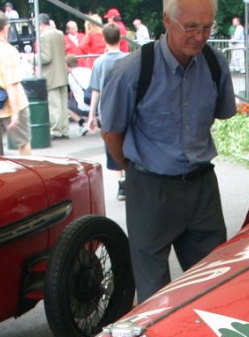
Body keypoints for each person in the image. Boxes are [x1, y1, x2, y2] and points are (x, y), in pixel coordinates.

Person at [99, 0, 236, 302]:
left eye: (206, 28)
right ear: (166, 21)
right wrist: (134, 168)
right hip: (150, 189)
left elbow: (215, 114)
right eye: (190, 27)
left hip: (202, 189)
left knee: (215, 286)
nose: (199, 37)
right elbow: (111, 132)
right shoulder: (132, 71)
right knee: (154, 296)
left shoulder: (215, 64)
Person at [87, 23, 127, 197]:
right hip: (127, 109)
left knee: (113, 147)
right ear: (120, 38)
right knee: (128, 144)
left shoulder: (99, 63)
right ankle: (130, 179)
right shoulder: (129, 59)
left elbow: (95, 90)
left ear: (104, 39)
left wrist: (92, 115)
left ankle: (121, 183)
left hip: (107, 111)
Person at [0, 9, 31, 155]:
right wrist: (15, 112)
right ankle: (27, 176)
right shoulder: (9, 51)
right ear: (6, 27)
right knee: (23, 144)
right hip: (12, 104)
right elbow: (12, 83)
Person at [38, 13, 69, 139]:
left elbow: (46, 57)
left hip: (51, 74)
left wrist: (32, 59)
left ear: (40, 24)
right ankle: (65, 129)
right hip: (62, 72)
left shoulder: (44, 36)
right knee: (63, 104)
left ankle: (56, 130)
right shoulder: (59, 33)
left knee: (54, 105)